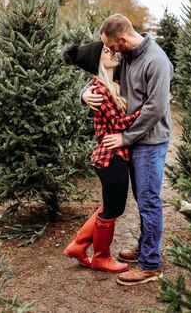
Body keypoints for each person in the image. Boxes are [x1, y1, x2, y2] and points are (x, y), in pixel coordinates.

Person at [81, 14, 173, 285]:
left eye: (111, 46)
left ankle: (150, 264)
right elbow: (103, 77)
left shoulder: (156, 61)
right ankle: (146, 246)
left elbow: (156, 108)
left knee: (148, 200)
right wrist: (84, 93)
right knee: (142, 197)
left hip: (149, 141)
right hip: (133, 139)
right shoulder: (128, 55)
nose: (109, 51)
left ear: (122, 39)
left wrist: (125, 137)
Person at [62, 40, 141, 273]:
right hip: (109, 157)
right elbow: (119, 123)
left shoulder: (113, 83)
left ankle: (78, 246)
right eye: (106, 51)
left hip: (116, 155)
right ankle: (101, 257)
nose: (112, 53)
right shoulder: (98, 91)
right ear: (97, 61)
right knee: (113, 209)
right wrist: (147, 110)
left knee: (111, 206)